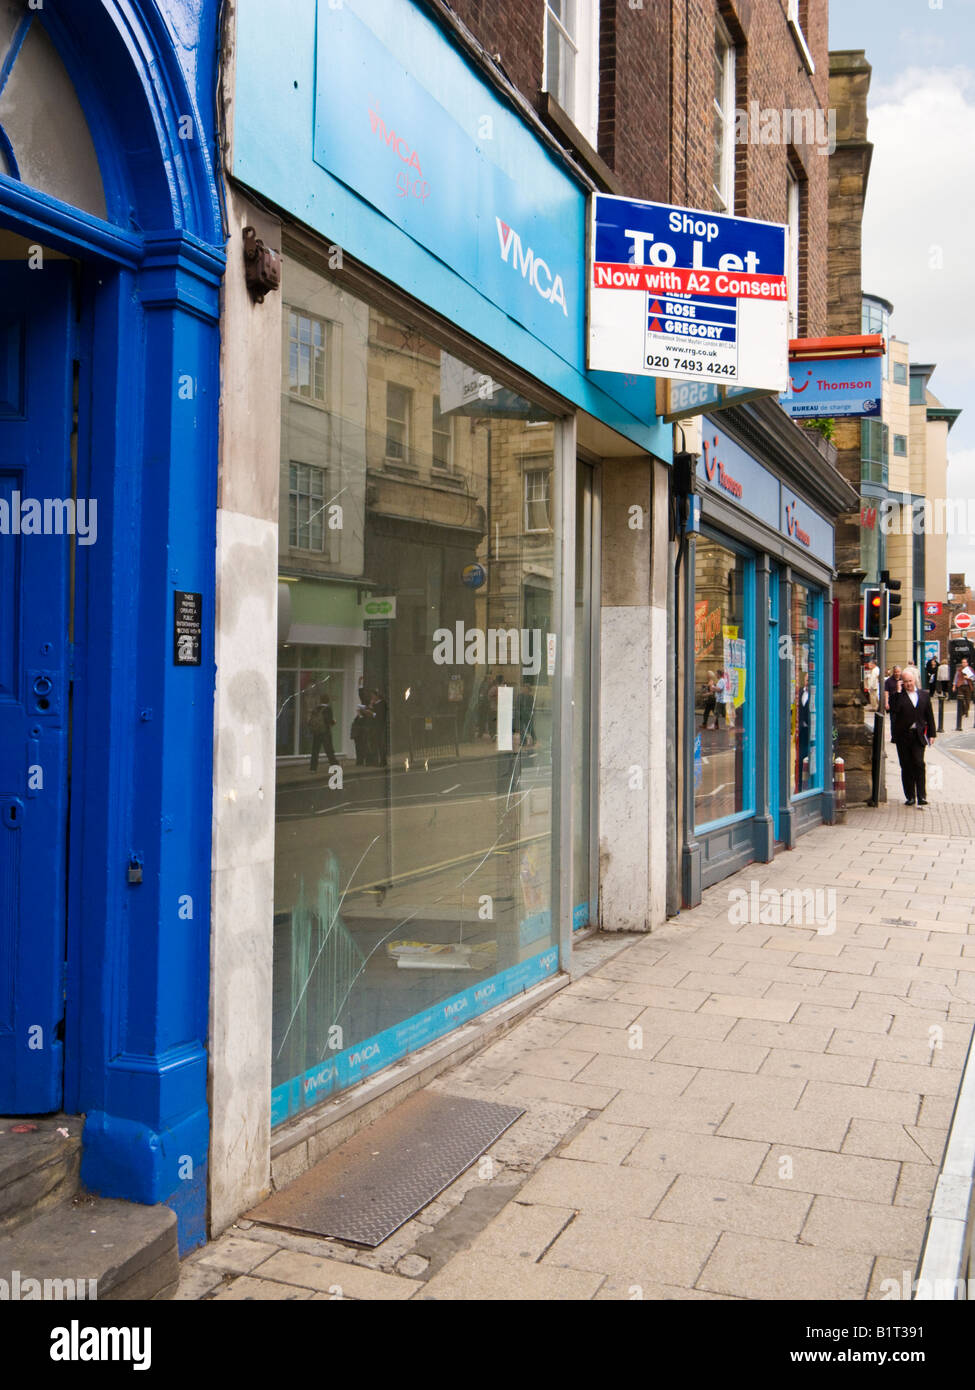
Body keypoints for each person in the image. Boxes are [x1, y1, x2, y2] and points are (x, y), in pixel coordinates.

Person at [889, 665, 936, 806]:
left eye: (910, 681)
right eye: (905, 681)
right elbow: (894, 711)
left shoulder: (924, 695)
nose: (908, 684)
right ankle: (910, 796)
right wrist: (897, 692)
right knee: (906, 766)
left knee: (919, 764)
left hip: (918, 735)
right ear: (902, 682)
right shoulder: (898, 696)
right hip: (903, 736)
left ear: (914, 680)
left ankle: (922, 796)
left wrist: (932, 734)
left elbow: (930, 715)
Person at [308, 693, 336, 773]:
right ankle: (334, 767)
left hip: (316, 732)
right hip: (325, 732)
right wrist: (333, 722)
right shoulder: (328, 709)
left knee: (315, 750)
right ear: (328, 700)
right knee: (329, 750)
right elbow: (329, 721)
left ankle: (313, 768)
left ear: (320, 700)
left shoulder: (316, 708)